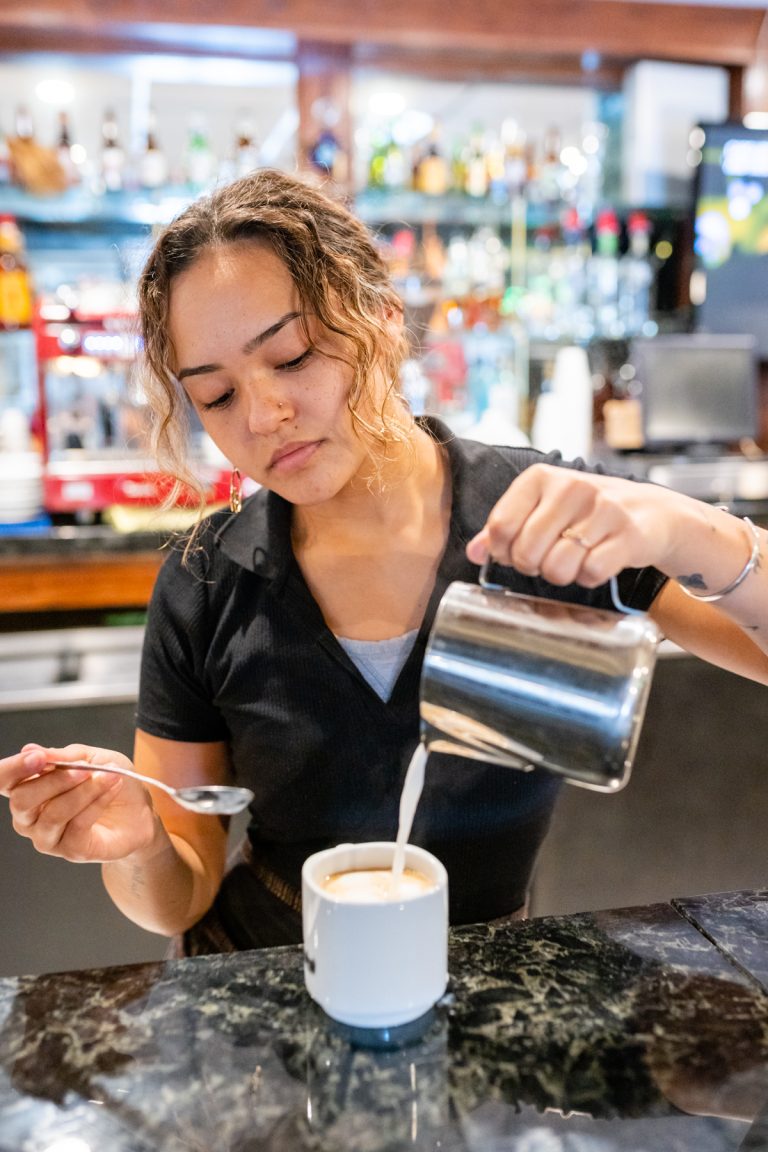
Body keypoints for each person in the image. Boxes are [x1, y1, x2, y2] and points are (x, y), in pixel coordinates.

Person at [2, 169, 768, 956]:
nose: (265, 415)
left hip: (480, 978)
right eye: (218, 397)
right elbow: (180, 893)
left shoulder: (539, 519)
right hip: (265, 981)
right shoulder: (209, 582)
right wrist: (138, 844)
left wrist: (687, 529)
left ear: (385, 319)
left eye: (294, 357)